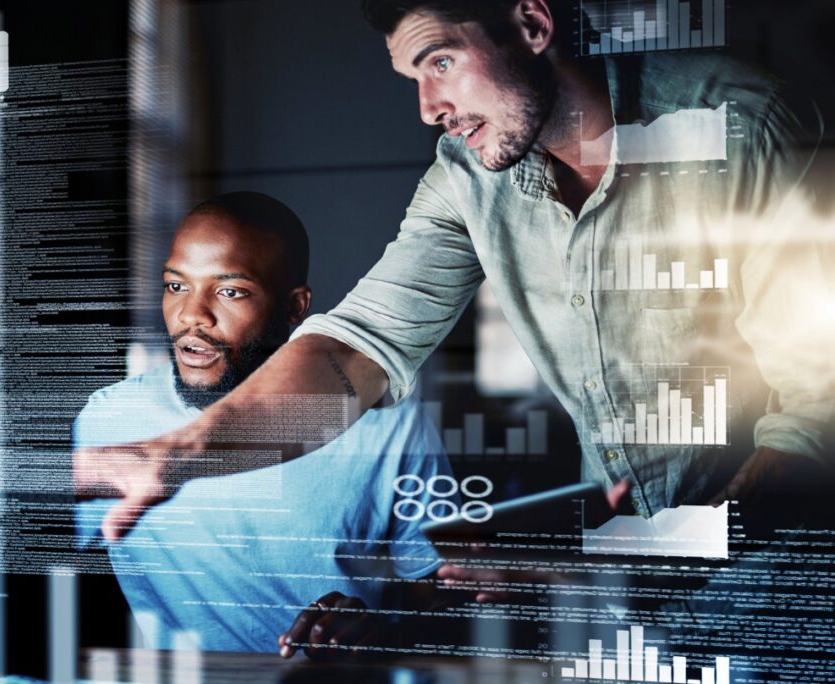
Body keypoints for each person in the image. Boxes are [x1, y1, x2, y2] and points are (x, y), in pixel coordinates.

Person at [76, 0, 831, 587]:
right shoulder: (465, 176)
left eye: (440, 61)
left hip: (783, 588)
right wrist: (177, 456)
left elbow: (817, 419)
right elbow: (352, 355)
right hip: (628, 599)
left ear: (531, 24)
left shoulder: (745, 124)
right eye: (414, 77)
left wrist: (658, 556)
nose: (428, 106)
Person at [74, 191, 454, 655]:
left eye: (230, 291)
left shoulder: (388, 424)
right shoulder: (110, 418)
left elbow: (445, 599)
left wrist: (380, 633)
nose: (191, 315)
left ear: (295, 307)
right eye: (175, 286)